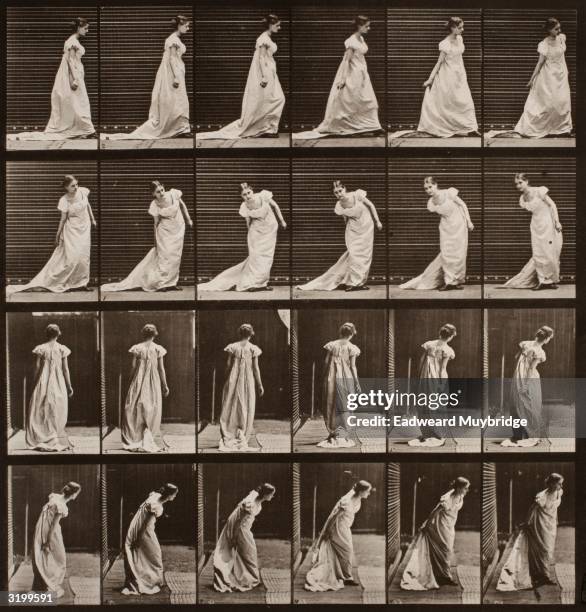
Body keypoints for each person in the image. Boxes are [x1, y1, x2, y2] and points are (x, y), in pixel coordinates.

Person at [102, 17, 191, 140]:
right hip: (172, 73)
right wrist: (176, 77)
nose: (188, 28)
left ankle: (179, 127)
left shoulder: (174, 39)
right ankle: (178, 128)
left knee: (178, 100)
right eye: (186, 26)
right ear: (179, 25)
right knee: (177, 99)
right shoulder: (173, 40)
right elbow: (171, 59)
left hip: (175, 71)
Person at [197, 16, 284, 140]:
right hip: (265, 72)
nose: (279, 28)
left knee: (274, 99)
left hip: (270, 71)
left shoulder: (267, 38)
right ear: (270, 24)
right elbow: (261, 58)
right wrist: (264, 76)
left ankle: (268, 128)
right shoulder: (263, 39)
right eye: (277, 25)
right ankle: (266, 128)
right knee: (275, 99)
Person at [7, 175, 96, 295]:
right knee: (72, 258)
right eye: (72, 186)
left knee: (84, 258)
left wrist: (92, 219)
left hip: (84, 228)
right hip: (72, 230)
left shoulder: (82, 191)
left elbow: (87, 204)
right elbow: (63, 219)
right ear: (66, 187)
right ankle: (62, 282)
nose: (76, 187)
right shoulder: (64, 200)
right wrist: (58, 235)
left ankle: (81, 283)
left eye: (76, 184)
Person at [294, 16, 381, 139]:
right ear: (359, 26)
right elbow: (346, 60)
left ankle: (373, 126)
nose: (369, 28)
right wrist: (343, 78)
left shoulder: (361, 38)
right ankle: (355, 126)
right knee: (351, 101)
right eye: (366, 26)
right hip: (353, 74)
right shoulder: (352, 41)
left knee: (368, 100)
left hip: (362, 74)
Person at [9, 19, 94, 141]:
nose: (87, 31)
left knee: (79, 101)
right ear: (78, 28)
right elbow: (70, 62)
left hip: (76, 74)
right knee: (80, 101)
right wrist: (73, 80)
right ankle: (86, 129)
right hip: (72, 75)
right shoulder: (72, 42)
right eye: (85, 28)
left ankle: (85, 129)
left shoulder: (73, 41)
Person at [101, 182, 192, 293]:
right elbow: (156, 223)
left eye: (162, 190)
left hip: (178, 229)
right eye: (158, 192)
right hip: (164, 232)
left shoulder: (173, 194)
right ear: (153, 193)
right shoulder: (154, 204)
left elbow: (182, 205)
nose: (161, 193)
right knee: (165, 257)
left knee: (175, 258)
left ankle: (172, 283)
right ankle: (162, 283)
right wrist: (156, 240)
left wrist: (188, 220)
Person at [198, 183, 286, 292]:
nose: (248, 196)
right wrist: (250, 235)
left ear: (252, 191)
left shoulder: (263, 196)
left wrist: (282, 221)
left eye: (249, 193)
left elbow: (275, 206)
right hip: (256, 232)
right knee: (256, 258)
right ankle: (252, 283)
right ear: (241, 196)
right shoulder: (244, 206)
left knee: (267, 258)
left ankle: (262, 283)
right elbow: (248, 221)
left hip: (270, 230)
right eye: (244, 195)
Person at [297, 181, 382, 292]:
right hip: (353, 228)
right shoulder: (339, 205)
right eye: (336, 193)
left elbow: (371, 205)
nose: (339, 194)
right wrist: (349, 231)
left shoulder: (357, 195)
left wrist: (378, 221)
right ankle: (352, 282)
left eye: (340, 191)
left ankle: (359, 282)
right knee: (353, 255)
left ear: (345, 189)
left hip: (366, 226)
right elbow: (345, 218)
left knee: (365, 255)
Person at [400, 177, 473, 291]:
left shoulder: (449, 193)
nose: (428, 190)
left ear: (436, 185)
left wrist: (469, 221)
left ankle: (456, 281)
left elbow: (463, 205)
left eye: (430, 187)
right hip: (446, 227)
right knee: (447, 253)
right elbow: (442, 214)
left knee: (459, 253)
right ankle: (449, 281)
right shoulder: (430, 203)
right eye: (426, 189)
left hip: (459, 224)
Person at [401, 477, 470, 590]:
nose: (467, 490)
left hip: (450, 526)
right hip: (441, 526)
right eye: (465, 488)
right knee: (446, 549)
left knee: (446, 550)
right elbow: (435, 511)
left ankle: (440, 575)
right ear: (458, 488)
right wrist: (426, 525)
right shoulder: (447, 499)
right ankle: (445, 577)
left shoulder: (460, 496)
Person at [497, 473, 563, 590]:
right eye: (559, 483)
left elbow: (555, 509)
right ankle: (543, 576)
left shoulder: (559, 492)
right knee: (543, 549)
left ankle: (542, 575)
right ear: (552, 483)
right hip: (540, 524)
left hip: (551, 524)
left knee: (548, 549)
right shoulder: (542, 496)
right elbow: (533, 509)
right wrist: (527, 522)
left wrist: (556, 520)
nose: (561, 485)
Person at [304, 480, 373, 591]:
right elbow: (333, 517)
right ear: (360, 491)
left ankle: (344, 575)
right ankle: (346, 576)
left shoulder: (357, 496)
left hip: (345, 526)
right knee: (347, 549)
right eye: (367, 491)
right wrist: (327, 531)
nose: (368, 494)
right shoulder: (347, 501)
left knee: (346, 550)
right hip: (338, 528)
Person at [499, 174, 562, 291]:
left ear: (526, 181)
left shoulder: (539, 191)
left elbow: (552, 205)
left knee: (550, 252)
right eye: (516, 184)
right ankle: (542, 280)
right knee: (538, 252)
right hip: (536, 225)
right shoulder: (522, 199)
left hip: (548, 223)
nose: (518, 186)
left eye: (520, 183)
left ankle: (550, 280)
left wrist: (557, 222)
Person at [417, 17, 478, 137]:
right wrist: (430, 79)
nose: (462, 30)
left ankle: (470, 128)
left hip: (460, 76)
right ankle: (449, 127)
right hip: (447, 77)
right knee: (448, 104)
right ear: (452, 28)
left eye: (462, 27)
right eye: (460, 27)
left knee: (465, 102)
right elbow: (439, 63)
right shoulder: (445, 44)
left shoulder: (460, 39)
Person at [213, 483, 276, 592]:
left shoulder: (256, 497)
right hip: (240, 529)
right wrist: (233, 535)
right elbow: (237, 519)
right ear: (265, 494)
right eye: (271, 494)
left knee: (249, 553)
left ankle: (249, 579)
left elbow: (255, 492)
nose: (272, 496)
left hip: (245, 529)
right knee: (248, 553)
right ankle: (250, 580)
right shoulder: (250, 503)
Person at [515, 19, 572, 137]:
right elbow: (540, 63)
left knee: (562, 101)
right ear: (548, 30)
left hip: (561, 75)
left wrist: (565, 71)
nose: (559, 30)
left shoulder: (562, 38)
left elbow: (562, 57)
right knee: (548, 103)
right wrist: (531, 80)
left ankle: (561, 128)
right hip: (548, 76)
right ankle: (544, 128)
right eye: (556, 29)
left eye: (559, 28)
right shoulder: (544, 44)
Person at [501, 326, 554, 448]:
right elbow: (531, 368)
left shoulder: (525, 344)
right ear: (546, 339)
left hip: (518, 376)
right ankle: (531, 433)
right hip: (529, 378)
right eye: (549, 338)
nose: (549, 341)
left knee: (519, 403)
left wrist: (519, 370)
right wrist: (526, 384)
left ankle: (521, 433)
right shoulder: (539, 351)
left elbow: (516, 358)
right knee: (531, 404)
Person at [122, 483, 179, 595]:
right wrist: (138, 538)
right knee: (154, 554)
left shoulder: (156, 496)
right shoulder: (156, 504)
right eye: (174, 495)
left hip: (142, 527)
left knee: (152, 555)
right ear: (169, 495)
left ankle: (153, 580)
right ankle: (145, 582)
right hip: (143, 530)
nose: (175, 497)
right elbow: (144, 523)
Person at [121, 324, 169, 453]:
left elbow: (132, 366)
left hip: (139, 378)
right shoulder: (158, 349)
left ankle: (135, 438)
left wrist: (130, 380)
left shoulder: (137, 348)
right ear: (155, 334)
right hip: (153, 380)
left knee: (134, 406)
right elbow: (161, 369)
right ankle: (148, 436)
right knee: (151, 407)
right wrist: (165, 385)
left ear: (143, 334)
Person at [408, 324, 457, 448]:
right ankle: (436, 434)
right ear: (451, 337)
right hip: (436, 378)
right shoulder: (447, 350)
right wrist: (442, 384)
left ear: (440, 333)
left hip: (424, 377)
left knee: (424, 404)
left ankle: (427, 433)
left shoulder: (429, 344)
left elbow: (421, 362)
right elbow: (443, 369)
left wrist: (420, 376)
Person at [26, 324, 73, 452]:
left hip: (44, 380)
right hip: (58, 382)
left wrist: (34, 382)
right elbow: (65, 369)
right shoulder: (61, 349)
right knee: (56, 408)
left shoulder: (41, 348)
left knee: (41, 407)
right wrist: (69, 386)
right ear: (58, 334)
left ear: (47, 334)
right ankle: (53, 436)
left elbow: (36, 367)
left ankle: (44, 436)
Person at [218, 324, 264, 452]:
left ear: (240, 333)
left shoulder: (233, 347)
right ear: (251, 334)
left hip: (233, 379)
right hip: (247, 380)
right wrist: (259, 384)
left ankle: (230, 432)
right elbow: (256, 368)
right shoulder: (252, 348)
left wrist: (226, 378)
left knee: (230, 403)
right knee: (245, 405)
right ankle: (242, 431)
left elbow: (228, 365)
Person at [32, 482, 82, 598]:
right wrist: (48, 542)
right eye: (77, 493)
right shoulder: (62, 506)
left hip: (40, 527)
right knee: (60, 559)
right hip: (50, 531)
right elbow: (53, 526)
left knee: (45, 557)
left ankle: (43, 585)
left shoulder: (54, 496)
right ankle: (50, 586)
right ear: (74, 494)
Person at [317, 323, 360, 449]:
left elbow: (326, 362)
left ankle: (334, 430)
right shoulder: (351, 347)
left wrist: (324, 375)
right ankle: (342, 432)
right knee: (344, 403)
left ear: (340, 332)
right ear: (351, 334)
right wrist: (356, 382)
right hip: (346, 378)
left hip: (331, 377)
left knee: (331, 402)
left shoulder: (332, 345)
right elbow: (353, 367)